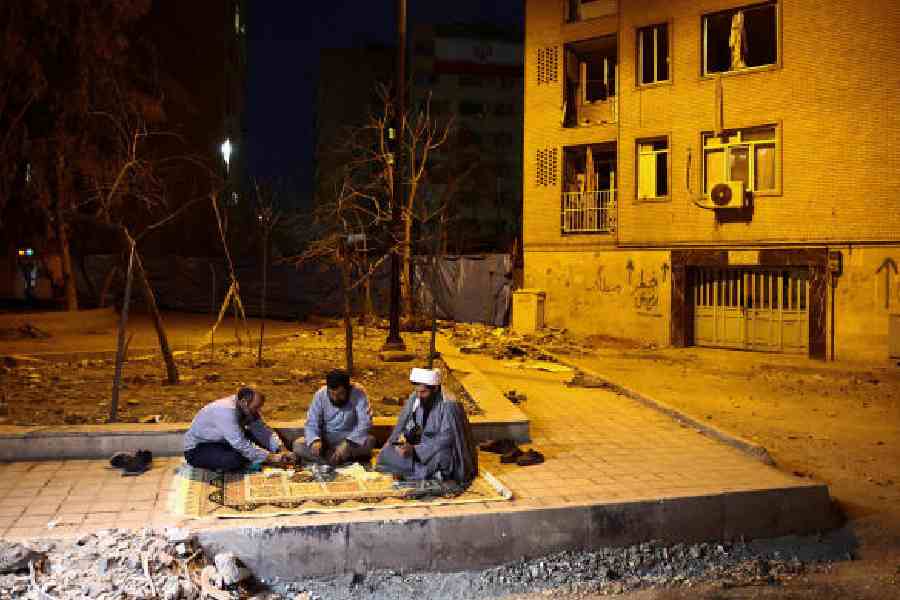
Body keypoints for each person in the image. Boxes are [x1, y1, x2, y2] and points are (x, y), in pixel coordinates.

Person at [376, 368, 478, 483]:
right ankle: (418, 472)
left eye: (423, 392)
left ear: (435, 389)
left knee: (442, 458)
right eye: (417, 391)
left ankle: (422, 473)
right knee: (387, 452)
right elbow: (408, 422)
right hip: (420, 445)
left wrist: (415, 450)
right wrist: (400, 440)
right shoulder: (416, 397)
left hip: (441, 449)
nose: (419, 395)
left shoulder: (449, 405)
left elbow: (446, 439)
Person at [183, 387, 292, 472]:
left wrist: (281, 449)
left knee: (261, 443)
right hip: (199, 449)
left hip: (224, 442)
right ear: (244, 402)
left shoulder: (246, 408)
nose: (258, 411)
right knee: (235, 459)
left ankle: (251, 459)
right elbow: (239, 444)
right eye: (256, 407)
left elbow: (263, 431)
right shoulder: (225, 411)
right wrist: (271, 457)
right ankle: (237, 463)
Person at [292, 369, 376, 466]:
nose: (335, 398)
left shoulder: (358, 393)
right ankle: (336, 460)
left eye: (340, 394)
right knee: (298, 445)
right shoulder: (320, 394)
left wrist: (347, 444)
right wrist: (315, 440)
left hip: (349, 437)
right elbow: (311, 423)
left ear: (348, 389)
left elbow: (365, 422)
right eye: (332, 394)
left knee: (369, 441)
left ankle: (330, 460)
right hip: (326, 439)